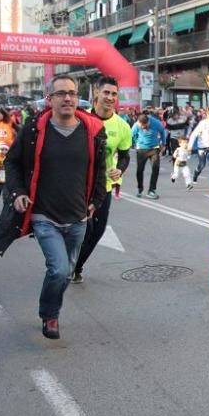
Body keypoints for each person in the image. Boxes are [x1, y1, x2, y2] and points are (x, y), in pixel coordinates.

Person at [5, 76, 107, 339]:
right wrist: (18, 192)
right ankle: (50, 315)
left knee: (66, 272)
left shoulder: (92, 130)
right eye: (61, 93)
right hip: (44, 215)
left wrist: (96, 201)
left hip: (78, 217)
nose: (68, 98)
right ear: (49, 99)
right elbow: (12, 162)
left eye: (72, 93)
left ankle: (51, 308)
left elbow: (99, 170)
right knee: (59, 269)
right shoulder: (33, 130)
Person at [71, 76, 132, 284]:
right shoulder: (78, 119)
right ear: (96, 93)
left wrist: (119, 170)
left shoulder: (122, 126)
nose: (110, 97)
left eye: (114, 94)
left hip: (102, 186)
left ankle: (76, 266)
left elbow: (124, 156)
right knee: (78, 230)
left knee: (96, 232)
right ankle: (64, 263)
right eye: (106, 92)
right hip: (77, 184)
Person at [131, 112, 166, 199]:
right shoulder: (136, 125)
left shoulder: (156, 123)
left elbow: (162, 132)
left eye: (144, 126)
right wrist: (136, 143)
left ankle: (151, 190)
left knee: (155, 168)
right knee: (139, 170)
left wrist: (163, 144)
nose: (142, 127)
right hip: (141, 149)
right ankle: (140, 188)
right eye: (141, 126)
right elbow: (132, 135)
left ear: (148, 122)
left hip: (154, 148)